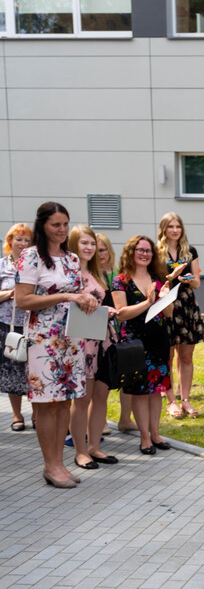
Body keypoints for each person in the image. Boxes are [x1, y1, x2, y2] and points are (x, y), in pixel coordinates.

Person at [15, 202, 96, 489]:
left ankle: (59, 463)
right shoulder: (30, 256)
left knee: (64, 403)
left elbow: (76, 295)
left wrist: (87, 300)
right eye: (56, 225)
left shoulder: (72, 258)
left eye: (65, 224)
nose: (62, 230)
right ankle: (50, 465)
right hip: (43, 341)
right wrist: (66, 296)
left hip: (71, 339)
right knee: (47, 406)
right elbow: (23, 300)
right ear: (43, 225)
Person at [112, 235, 174, 454]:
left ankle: (155, 434)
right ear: (131, 252)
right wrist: (148, 302)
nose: (144, 254)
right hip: (135, 343)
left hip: (159, 341)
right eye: (140, 250)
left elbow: (168, 313)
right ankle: (145, 438)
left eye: (148, 250)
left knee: (156, 390)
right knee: (139, 391)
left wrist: (165, 298)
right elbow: (121, 314)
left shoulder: (158, 278)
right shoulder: (121, 280)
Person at [67, 225, 115, 470]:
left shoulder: (98, 272)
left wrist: (108, 311)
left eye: (92, 243)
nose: (89, 248)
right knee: (82, 398)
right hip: (80, 343)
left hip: (101, 340)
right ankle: (80, 451)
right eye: (84, 243)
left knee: (101, 395)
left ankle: (95, 447)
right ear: (73, 244)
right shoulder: (69, 273)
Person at [157, 212, 204, 419]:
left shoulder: (190, 251)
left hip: (186, 305)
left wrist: (188, 280)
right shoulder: (157, 252)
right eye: (171, 226)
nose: (175, 230)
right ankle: (170, 400)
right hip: (167, 305)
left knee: (186, 356)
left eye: (178, 226)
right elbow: (157, 281)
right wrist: (172, 277)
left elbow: (197, 283)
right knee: (167, 356)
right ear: (163, 229)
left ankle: (185, 399)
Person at [96, 233, 134, 434]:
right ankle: (100, 421)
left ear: (109, 250)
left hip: (122, 330)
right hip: (99, 333)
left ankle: (125, 419)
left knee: (126, 375)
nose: (99, 254)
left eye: (102, 250)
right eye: (96, 251)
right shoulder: (91, 275)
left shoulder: (120, 274)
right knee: (100, 380)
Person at [0, 222, 33, 430]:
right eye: (19, 239)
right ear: (10, 241)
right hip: (8, 326)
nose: (23, 243)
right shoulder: (2, 265)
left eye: (27, 240)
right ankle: (16, 415)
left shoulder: (35, 264)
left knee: (32, 370)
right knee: (13, 370)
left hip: (32, 325)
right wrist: (11, 294)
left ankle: (37, 414)